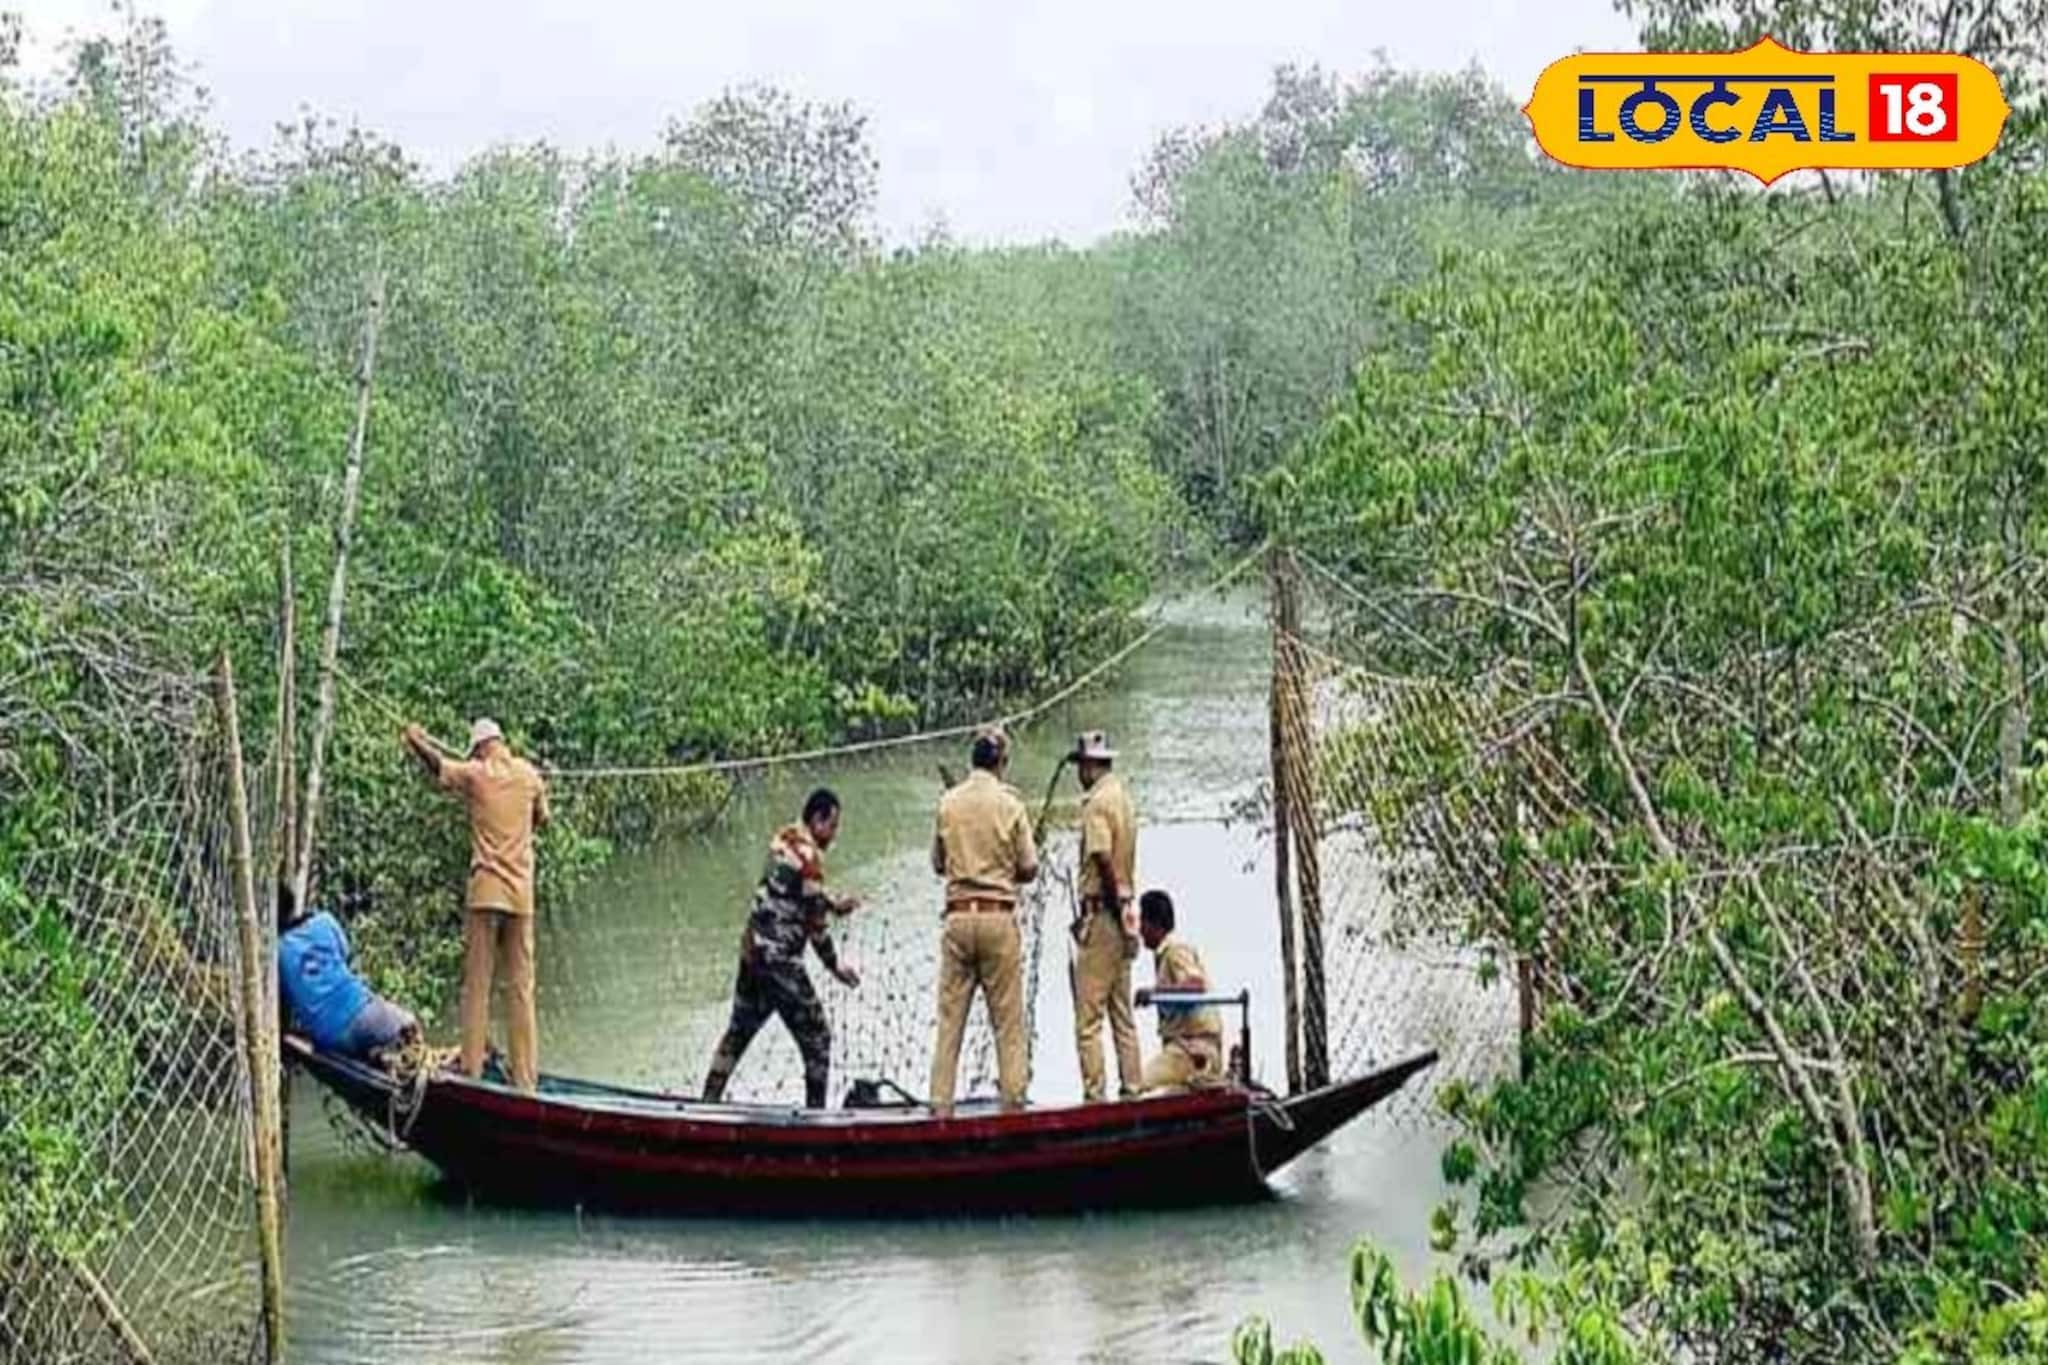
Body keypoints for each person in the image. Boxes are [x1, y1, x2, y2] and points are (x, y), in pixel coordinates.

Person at [402, 716, 550, 1092]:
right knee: (521, 988)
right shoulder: (529, 774)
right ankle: (526, 1079)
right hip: (520, 895)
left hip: (486, 891)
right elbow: (542, 819)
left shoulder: (476, 773)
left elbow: (438, 766)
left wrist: (416, 740)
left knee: (477, 983)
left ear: (481, 747)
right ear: (501, 741)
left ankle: (471, 1071)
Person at [702, 788, 863, 1109]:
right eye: (832, 826)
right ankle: (815, 1121)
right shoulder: (811, 859)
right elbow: (816, 928)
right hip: (780, 963)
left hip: (753, 952)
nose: (833, 835)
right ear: (817, 819)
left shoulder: (783, 839)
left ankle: (706, 1107)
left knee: (737, 1033)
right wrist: (836, 968)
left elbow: (790, 888)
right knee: (818, 1039)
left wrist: (831, 901)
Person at [928, 725, 1038, 1115]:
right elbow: (1029, 866)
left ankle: (939, 1108)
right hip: (997, 919)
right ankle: (1014, 1108)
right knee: (1007, 1025)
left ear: (971, 761)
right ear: (1001, 764)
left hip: (958, 918)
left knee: (949, 1024)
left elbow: (938, 863)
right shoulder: (1012, 805)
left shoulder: (948, 802)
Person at [1068, 730, 1143, 1103]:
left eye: (1081, 764)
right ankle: (1133, 1088)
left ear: (1091, 765)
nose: (1079, 772)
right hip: (1125, 910)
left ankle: (1094, 1096)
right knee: (1122, 1013)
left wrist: (1113, 908)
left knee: (1088, 1018)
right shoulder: (1124, 799)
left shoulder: (1097, 803)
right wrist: (1127, 915)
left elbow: (1102, 857)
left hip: (1103, 913)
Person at [276, 881, 419, 1059]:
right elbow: (345, 952)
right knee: (409, 1024)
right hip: (360, 1010)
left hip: (327, 1035)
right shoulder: (324, 921)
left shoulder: (277, 951)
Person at [1133, 890, 1226, 1093]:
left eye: (1142, 922)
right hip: (1188, 1048)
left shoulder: (1175, 950)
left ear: (1154, 923)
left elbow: (1195, 986)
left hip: (1191, 1049)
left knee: (1138, 1087)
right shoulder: (1164, 956)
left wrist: (1154, 994)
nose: (1140, 930)